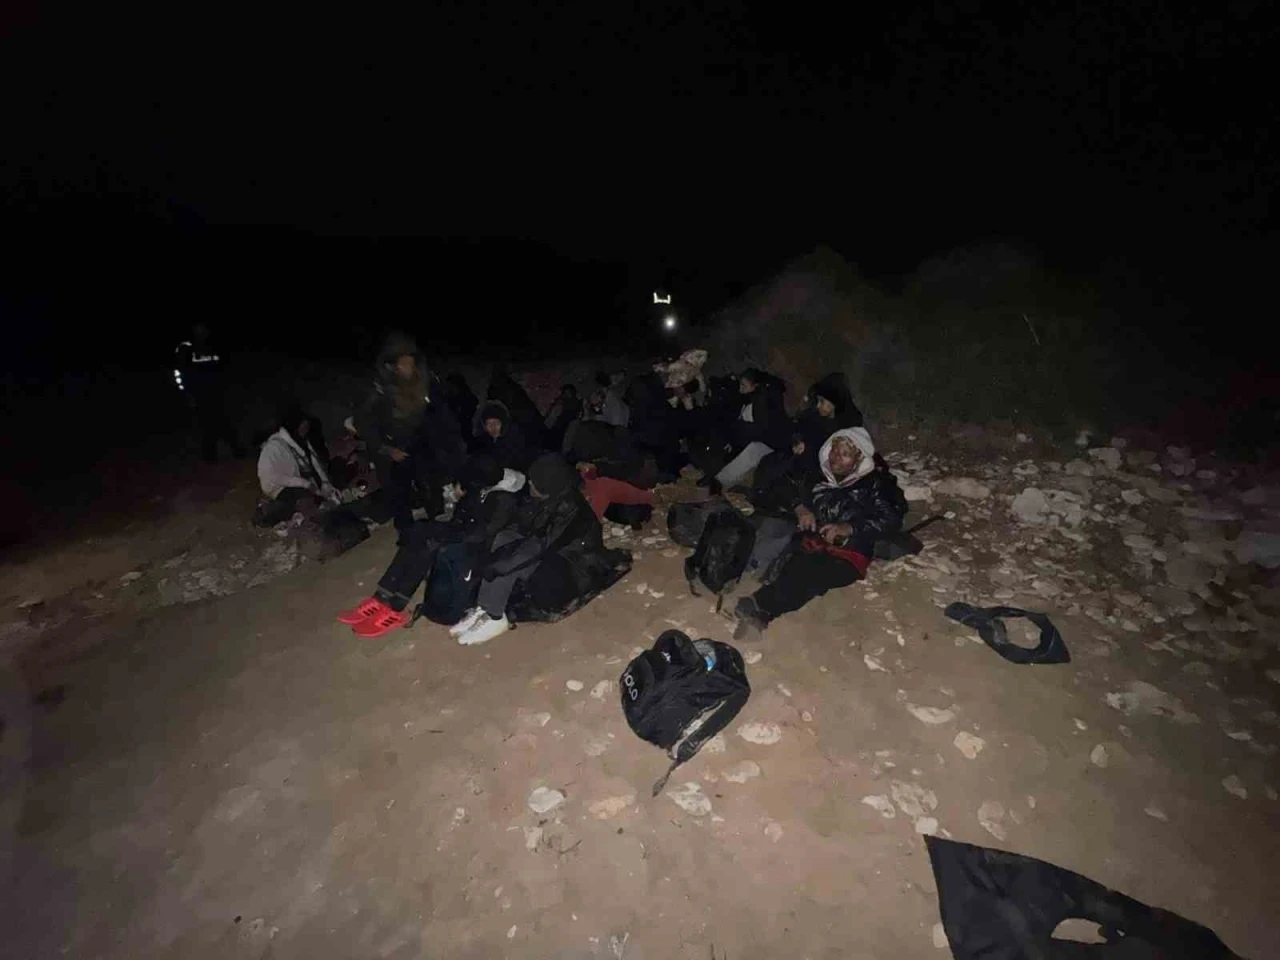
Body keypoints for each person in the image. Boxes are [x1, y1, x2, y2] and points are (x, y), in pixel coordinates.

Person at [734, 427, 906, 636]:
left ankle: (761, 607)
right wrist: (800, 508)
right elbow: (783, 484)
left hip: (850, 552)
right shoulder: (819, 474)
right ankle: (761, 613)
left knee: (813, 574)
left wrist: (849, 527)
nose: (836, 458)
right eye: (835, 450)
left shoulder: (873, 484)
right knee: (794, 566)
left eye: (845, 454)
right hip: (814, 541)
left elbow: (891, 519)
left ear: (859, 458)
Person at [336, 456, 525, 637]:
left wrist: (443, 532)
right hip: (465, 536)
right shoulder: (481, 489)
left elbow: (481, 534)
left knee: (429, 544)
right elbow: (462, 520)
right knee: (419, 533)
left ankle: (395, 607)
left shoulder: (503, 499)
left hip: (479, 549)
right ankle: (382, 597)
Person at [451, 453, 600, 645]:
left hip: (575, 564)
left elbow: (540, 546)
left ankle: (496, 618)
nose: (529, 483)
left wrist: (499, 565)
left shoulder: (570, 508)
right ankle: (485, 606)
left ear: (546, 484)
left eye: (533, 481)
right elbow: (524, 525)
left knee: (511, 561)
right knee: (505, 538)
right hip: (552, 549)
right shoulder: (549, 495)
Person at [351, 333, 466, 536]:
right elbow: (364, 425)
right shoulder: (378, 390)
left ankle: (437, 524)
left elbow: (441, 413)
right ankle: (406, 534)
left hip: (419, 443)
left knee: (431, 485)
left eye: (411, 363)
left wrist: (449, 441)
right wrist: (387, 449)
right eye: (403, 364)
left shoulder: (424, 382)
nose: (408, 368)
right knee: (398, 494)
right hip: (391, 449)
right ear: (392, 366)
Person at [751, 371, 864, 512]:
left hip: (821, 468)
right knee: (770, 463)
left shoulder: (848, 425)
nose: (818, 406)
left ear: (835, 404)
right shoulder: (814, 415)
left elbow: (834, 454)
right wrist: (797, 440)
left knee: (788, 474)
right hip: (802, 456)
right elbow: (797, 428)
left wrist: (808, 447)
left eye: (822, 402)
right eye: (818, 401)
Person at [703, 368, 788, 494]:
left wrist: (736, 431)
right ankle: (716, 479)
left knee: (751, 452)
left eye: (744, 385)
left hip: (771, 442)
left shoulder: (762, 400)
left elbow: (761, 429)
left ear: (755, 386)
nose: (740, 388)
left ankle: (719, 482)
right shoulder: (753, 397)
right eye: (740, 384)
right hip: (761, 436)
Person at [255, 403, 337, 525]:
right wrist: (305, 484)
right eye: (303, 428)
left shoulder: (300, 442)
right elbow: (271, 476)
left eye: (307, 428)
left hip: (298, 482)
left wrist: (326, 483)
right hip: (279, 488)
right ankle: (269, 511)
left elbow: (315, 464)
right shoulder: (273, 447)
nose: (305, 431)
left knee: (331, 479)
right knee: (306, 501)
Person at [174, 322, 244, 461]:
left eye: (203, 329)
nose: (201, 332)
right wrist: (187, 394)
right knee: (207, 426)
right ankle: (210, 456)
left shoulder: (214, 346)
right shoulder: (186, 348)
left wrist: (229, 388)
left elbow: (226, 368)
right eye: (198, 329)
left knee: (226, 422)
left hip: (217, 393)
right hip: (199, 395)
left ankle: (237, 450)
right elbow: (180, 373)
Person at [477, 400, 536, 472]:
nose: (493, 427)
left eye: (497, 423)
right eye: (489, 424)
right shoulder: (484, 442)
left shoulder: (513, 438)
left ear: (503, 423)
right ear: (484, 426)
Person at [543, 383, 583, 451]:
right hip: (559, 426)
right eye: (564, 393)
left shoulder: (576, 402)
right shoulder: (562, 401)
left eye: (567, 393)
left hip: (566, 427)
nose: (565, 395)